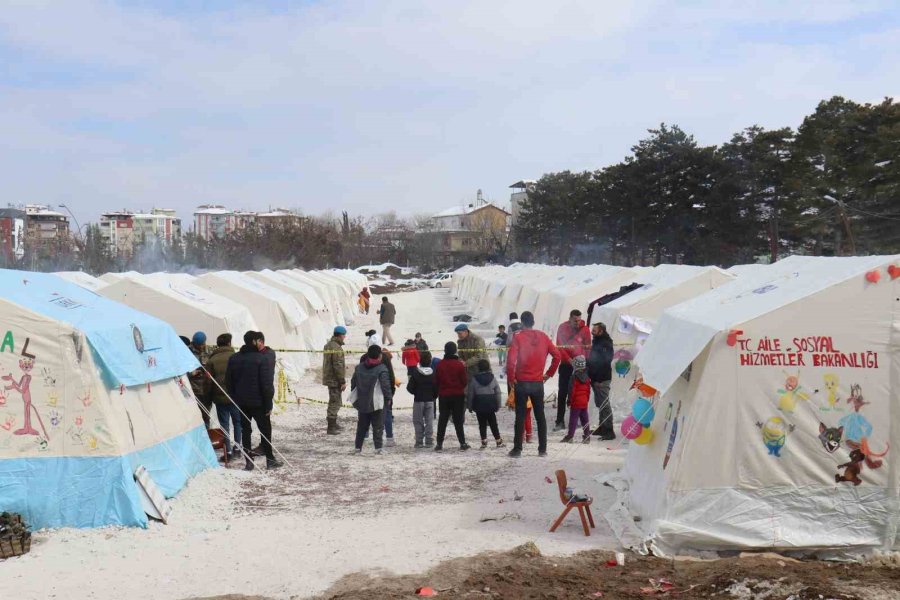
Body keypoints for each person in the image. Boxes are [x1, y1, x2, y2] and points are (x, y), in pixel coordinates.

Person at [506, 311, 561, 458]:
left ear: (522, 323)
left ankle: (517, 449)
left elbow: (511, 361)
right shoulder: (543, 337)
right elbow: (557, 356)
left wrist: (511, 378)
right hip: (537, 383)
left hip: (522, 382)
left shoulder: (518, 338)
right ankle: (542, 449)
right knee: (540, 415)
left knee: (520, 415)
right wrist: (548, 374)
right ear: (533, 322)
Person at [226, 331, 282, 471]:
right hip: (259, 403)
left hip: (241, 402)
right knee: (265, 430)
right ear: (254, 342)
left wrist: (234, 397)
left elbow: (228, 381)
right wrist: (269, 403)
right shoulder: (260, 359)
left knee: (246, 431)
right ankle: (270, 459)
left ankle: (249, 461)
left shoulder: (234, 358)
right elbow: (266, 384)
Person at [350, 345, 393, 454]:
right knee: (378, 425)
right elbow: (385, 386)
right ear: (380, 356)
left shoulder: (359, 367)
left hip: (362, 400)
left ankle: (357, 447)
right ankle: (378, 448)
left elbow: (353, 383)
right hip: (377, 402)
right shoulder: (382, 369)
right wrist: (389, 398)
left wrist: (357, 395)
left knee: (362, 426)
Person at [554, 310, 591, 432]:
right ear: (570, 318)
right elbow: (559, 346)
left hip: (580, 366)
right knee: (563, 392)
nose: (577, 322)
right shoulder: (562, 328)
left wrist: (582, 360)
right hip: (566, 365)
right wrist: (570, 360)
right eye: (575, 320)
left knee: (579, 393)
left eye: (579, 320)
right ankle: (560, 420)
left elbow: (588, 347)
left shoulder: (585, 329)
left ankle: (580, 419)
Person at [206, 333, 241, 459]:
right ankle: (238, 448)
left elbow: (208, 381)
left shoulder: (211, 360)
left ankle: (228, 451)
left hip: (219, 397)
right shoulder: (236, 357)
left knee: (224, 425)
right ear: (229, 343)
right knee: (237, 422)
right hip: (235, 397)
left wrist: (209, 397)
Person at [358, 344, 398, 446]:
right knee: (386, 414)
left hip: (365, 393)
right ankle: (389, 437)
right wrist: (391, 393)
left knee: (364, 416)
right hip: (382, 394)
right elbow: (390, 376)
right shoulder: (385, 358)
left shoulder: (363, 358)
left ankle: (364, 437)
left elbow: (359, 376)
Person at [435, 341, 470, 452]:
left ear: (445, 351)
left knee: (442, 420)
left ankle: (439, 444)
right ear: (455, 351)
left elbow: (436, 381)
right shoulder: (459, 365)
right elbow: (465, 381)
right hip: (457, 396)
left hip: (444, 395)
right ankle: (462, 443)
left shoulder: (440, 364)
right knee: (458, 420)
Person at [467, 359, 504, 449]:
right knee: (493, 423)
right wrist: (498, 405)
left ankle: (484, 441)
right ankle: (498, 440)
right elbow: (498, 392)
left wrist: (470, 406)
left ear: (478, 368)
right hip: (490, 404)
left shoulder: (474, 379)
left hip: (479, 404)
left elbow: (471, 393)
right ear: (488, 367)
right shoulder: (492, 378)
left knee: (482, 423)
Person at [587, 322, 616, 440]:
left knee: (604, 404)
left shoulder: (605, 344)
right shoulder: (597, 341)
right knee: (600, 404)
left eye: (594, 330)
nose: (592, 331)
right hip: (595, 379)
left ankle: (609, 430)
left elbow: (604, 362)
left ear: (601, 331)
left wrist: (598, 380)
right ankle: (602, 427)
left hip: (602, 379)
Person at [407, 352, 438, 448]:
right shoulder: (434, 373)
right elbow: (437, 388)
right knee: (429, 421)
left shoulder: (416, 373)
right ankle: (429, 441)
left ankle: (419, 441)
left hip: (418, 400)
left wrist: (416, 392)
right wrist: (434, 396)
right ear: (430, 362)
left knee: (418, 421)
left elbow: (409, 388)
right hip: (430, 400)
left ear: (419, 361)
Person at [322, 326, 348, 436]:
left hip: (330, 377)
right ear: (340, 335)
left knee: (334, 400)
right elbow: (337, 365)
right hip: (334, 379)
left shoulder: (328, 345)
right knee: (335, 402)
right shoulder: (336, 348)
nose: (344, 338)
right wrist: (342, 381)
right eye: (344, 335)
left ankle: (333, 423)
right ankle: (331, 427)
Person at [562, 356, 592, 443]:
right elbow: (588, 390)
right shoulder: (587, 377)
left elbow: (571, 391)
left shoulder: (574, 377)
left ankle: (570, 436)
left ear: (575, 366)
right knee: (585, 419)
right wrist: (586, 400)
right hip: (584, 402)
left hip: (576, 402)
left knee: (573, 419)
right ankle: (587, 436)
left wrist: (569, 401)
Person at [188, 331, 211, 427]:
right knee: (195, 415)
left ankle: (207, 431)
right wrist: (191, 373)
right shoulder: (187, 352)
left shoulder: (209, 351)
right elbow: (181, 370)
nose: (201, 347)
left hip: (206, 388)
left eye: (203, 344)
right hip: (194, 389)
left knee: (206, 415)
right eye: (199, 345)